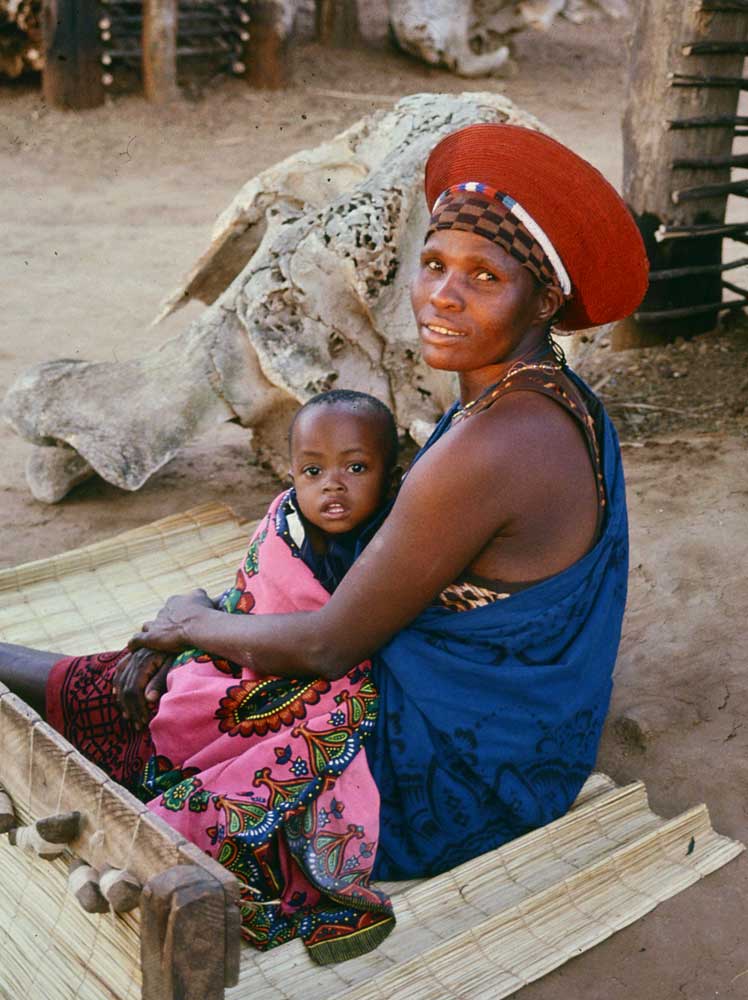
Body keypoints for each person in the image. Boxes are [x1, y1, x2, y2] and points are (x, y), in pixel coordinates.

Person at [0, 123, 648, 961]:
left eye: (485, 277)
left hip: (469, 771)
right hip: (527, 729)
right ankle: (57, 686)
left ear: (544, 301)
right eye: (435, 263)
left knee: (254, 684)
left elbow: (328, 641)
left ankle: (77, 719)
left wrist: (188, 617)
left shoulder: (497, 443)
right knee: (286, 558)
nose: (444, 296)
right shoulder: (549, 397)